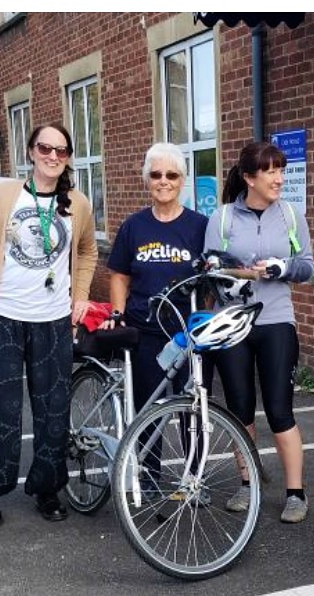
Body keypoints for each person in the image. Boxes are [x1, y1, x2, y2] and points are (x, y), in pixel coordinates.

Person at [0, 125, 98, 527]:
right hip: (1, 319)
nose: (52, 155)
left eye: (61, 150)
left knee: (53, 412)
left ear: (67, 158)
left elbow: (88, 251)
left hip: (53, 322)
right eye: (45, 147)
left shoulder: (77, 203)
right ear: (31, 152)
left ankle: (47, 488)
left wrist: (80, 295)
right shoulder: (4, 196)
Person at [203, 141, 314, 523]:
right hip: (233, 322)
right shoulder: (221, 219)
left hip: (276, 321)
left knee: (280, 410)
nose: (279, 178)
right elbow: (210, 272)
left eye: (281, 170)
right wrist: (231, 271)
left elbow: (307, 267)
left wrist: (280, 268)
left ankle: (296, 493)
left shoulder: (289, 215)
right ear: (249, 177)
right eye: (270, 171)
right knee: (239, 410)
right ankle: (247, 484)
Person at [106, 143, 210, 415]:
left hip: (188, 333)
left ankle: (195, 460)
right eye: (156, 175)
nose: (163, 181)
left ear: (182, 181)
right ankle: (146, 461)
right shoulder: (133, 226)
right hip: (145, 331)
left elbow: (210, 278)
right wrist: (118, 315)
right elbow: (119, 276)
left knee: (193, 411)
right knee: (147, 412)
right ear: (146, 180)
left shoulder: (200, 227)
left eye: (171, 175)